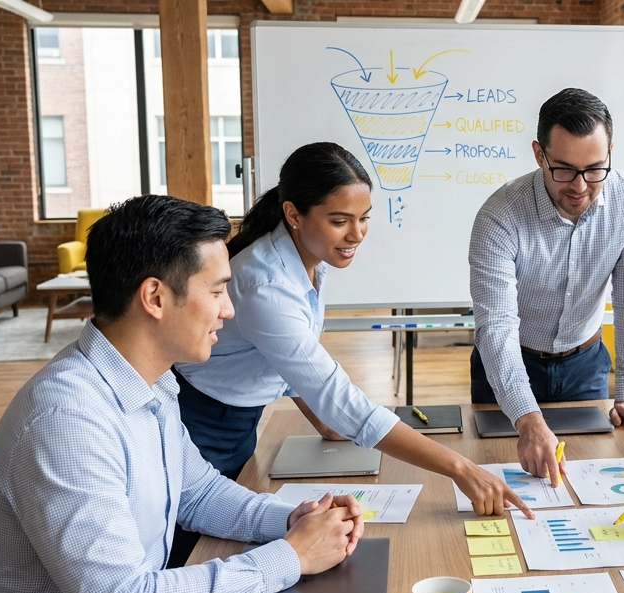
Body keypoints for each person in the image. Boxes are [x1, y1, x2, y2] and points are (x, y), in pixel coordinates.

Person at [0, 195, 367, 593]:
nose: (229, 311)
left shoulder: (149, 384)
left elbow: (196, 491)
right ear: (154, 297)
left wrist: (290, 522)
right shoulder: (68, 419)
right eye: (217, 291)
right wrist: (290, 557)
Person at [173, 143, 528, 532]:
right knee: (197, 544)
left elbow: (289, 359)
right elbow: (330, 390)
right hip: (201, 423)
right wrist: (460, 468)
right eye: (340, 221)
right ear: (292, 213)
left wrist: (325, 420)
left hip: (237, 417)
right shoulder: (266, 284)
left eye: (364, 218)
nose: (356, 234)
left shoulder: (305, 260)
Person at [469, 88, 624, 487]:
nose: (580, 186)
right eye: (564, 170)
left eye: (595, 169)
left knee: (591, 477)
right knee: (498, 478)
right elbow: (498, 327)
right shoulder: (499, 216)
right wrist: (526, 415)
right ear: (539, 155)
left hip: (585, 363)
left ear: (610, 152)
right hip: (508, 364)